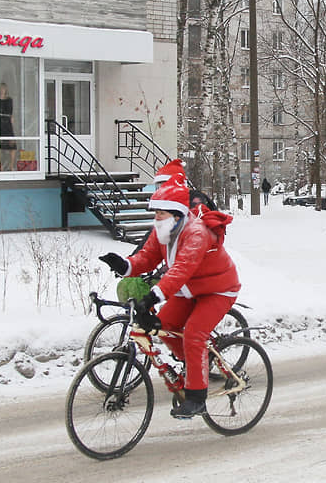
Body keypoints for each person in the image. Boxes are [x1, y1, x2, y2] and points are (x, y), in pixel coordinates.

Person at [99, 172, 240, 419]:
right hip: (190, 291)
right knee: (166, 325)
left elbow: (181, 270)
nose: (156, 219)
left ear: (176, 214)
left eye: (160, 214)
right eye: (155, 214)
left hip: (217, 290)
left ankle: (197, 399)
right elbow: (148, 257)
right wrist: (125, 266)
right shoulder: (163, 232)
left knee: (194, 334)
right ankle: (198, 364)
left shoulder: (197, 234)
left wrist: (153, 297)